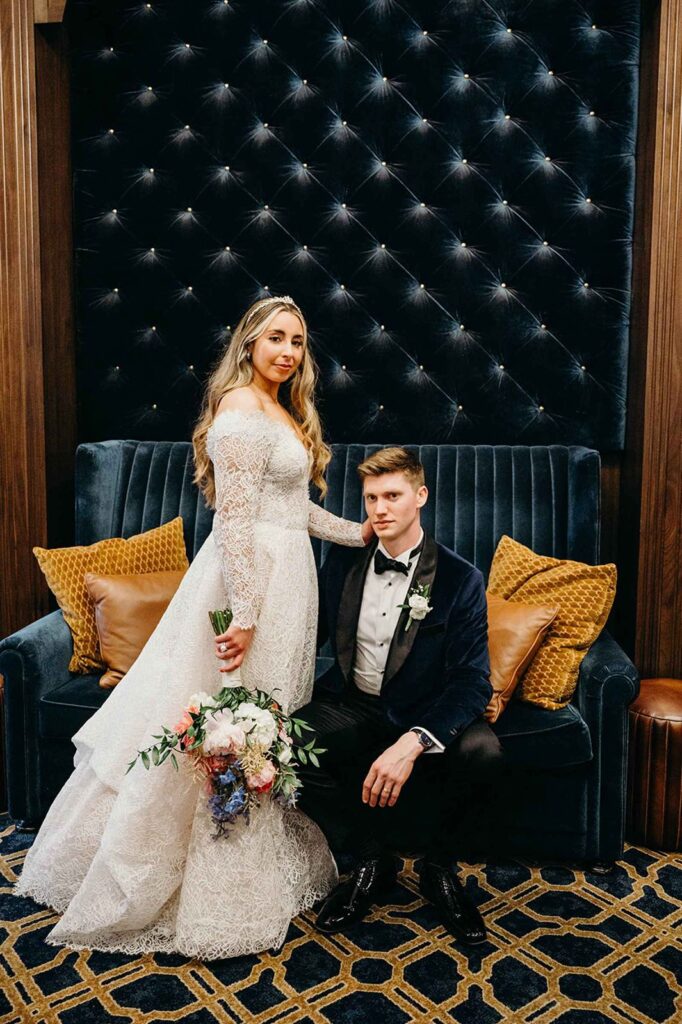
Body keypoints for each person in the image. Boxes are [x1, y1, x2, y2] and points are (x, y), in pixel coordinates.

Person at [14, 295, 372, 958]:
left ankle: (245, 859)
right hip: (251, 585)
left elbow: (293, 511)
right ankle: (208, 884)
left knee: (268, 723)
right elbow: (235, 523)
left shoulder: (284, 409)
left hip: (290, 583)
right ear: (248, 343)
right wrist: (243, 615)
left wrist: (359, 531)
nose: (288, 352)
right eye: (275, 339)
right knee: (232, 726)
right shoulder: (238, 409)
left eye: (297, 341)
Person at [293, 447, 504, 945]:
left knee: (484, 751)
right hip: (356, 703)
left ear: (420, 497)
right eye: (371, 498)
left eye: (393, 495)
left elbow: (473, 680)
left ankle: (440, 869)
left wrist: (415, 740)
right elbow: (306, 631)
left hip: (427, 710)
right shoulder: (342, 561)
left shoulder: (459, 578)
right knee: (286, 743)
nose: (380, 509)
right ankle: (372, 859)